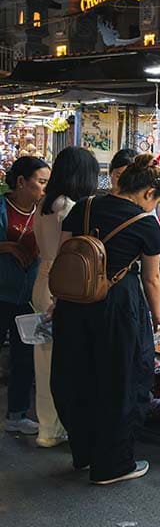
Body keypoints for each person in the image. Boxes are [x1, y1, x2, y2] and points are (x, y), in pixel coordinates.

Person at [51, 155, 160, 484]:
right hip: (118, 307)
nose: (154, 206)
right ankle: (113, 465)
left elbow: (65, 256)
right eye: (156, 200)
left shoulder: (84, 206)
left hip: (73, 302)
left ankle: (85, 454)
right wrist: (158, 315)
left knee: (77, 375)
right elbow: (152, 279)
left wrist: (57, 300)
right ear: (147, 192)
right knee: (120, 380)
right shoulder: (146, 224)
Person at [31, 147, 99, 447]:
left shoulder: (44, 203)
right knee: (66, 360)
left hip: (42, 279)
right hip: (64, 284)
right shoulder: (69, 207)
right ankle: (67, 425)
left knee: (43, 358)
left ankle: (48, 429)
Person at [1, 157, 50, 435]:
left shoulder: (44, 211)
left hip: (30, 295)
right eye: (41, 182)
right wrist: (7, 247)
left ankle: (17, 414)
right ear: (21, 181)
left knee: (24, 355)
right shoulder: (2, 206)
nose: (44, 189)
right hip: (1, 292)